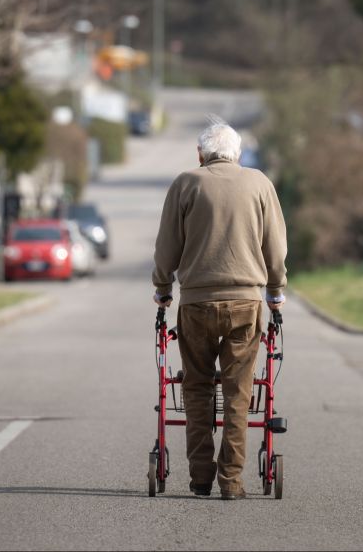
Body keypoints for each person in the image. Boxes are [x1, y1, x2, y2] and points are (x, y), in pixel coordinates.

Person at [152, 117, 287, 500]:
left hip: (195, 304)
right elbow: (275, 248)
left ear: (201, 154)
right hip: (246, 304)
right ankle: (232, 481)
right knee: (238, 393)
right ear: (238, 154)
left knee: (196, 387)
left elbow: (166, 248)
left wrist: (163, 287)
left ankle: (199, 477)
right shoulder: (260, 184)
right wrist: (275, 291)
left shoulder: (186, 184)